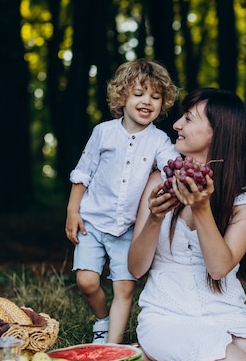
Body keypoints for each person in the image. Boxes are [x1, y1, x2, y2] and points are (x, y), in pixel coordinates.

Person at [127, 88, 246, 361]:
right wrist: (156, 217)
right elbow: (135, 268)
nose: (176, 125)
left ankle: (208, 357)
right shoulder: (159, 181)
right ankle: (146, 355)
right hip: (167, 316)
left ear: (216, 133)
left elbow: (219, 268)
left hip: (225, 315)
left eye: (188, 119)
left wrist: (201, 208)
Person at [65, 59, 180, 344]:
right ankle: (102, 320)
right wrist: (72, 210)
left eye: (155, 97)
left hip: (128, 230)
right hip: (91, 222)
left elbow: (171, 165)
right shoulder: (103, 132)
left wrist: (183, 174)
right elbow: (83, 173)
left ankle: (112, 345)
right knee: (87, 281)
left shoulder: (159, 141)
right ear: (122, 96)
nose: (147, 102)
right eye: (139, 93)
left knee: (125, 289)